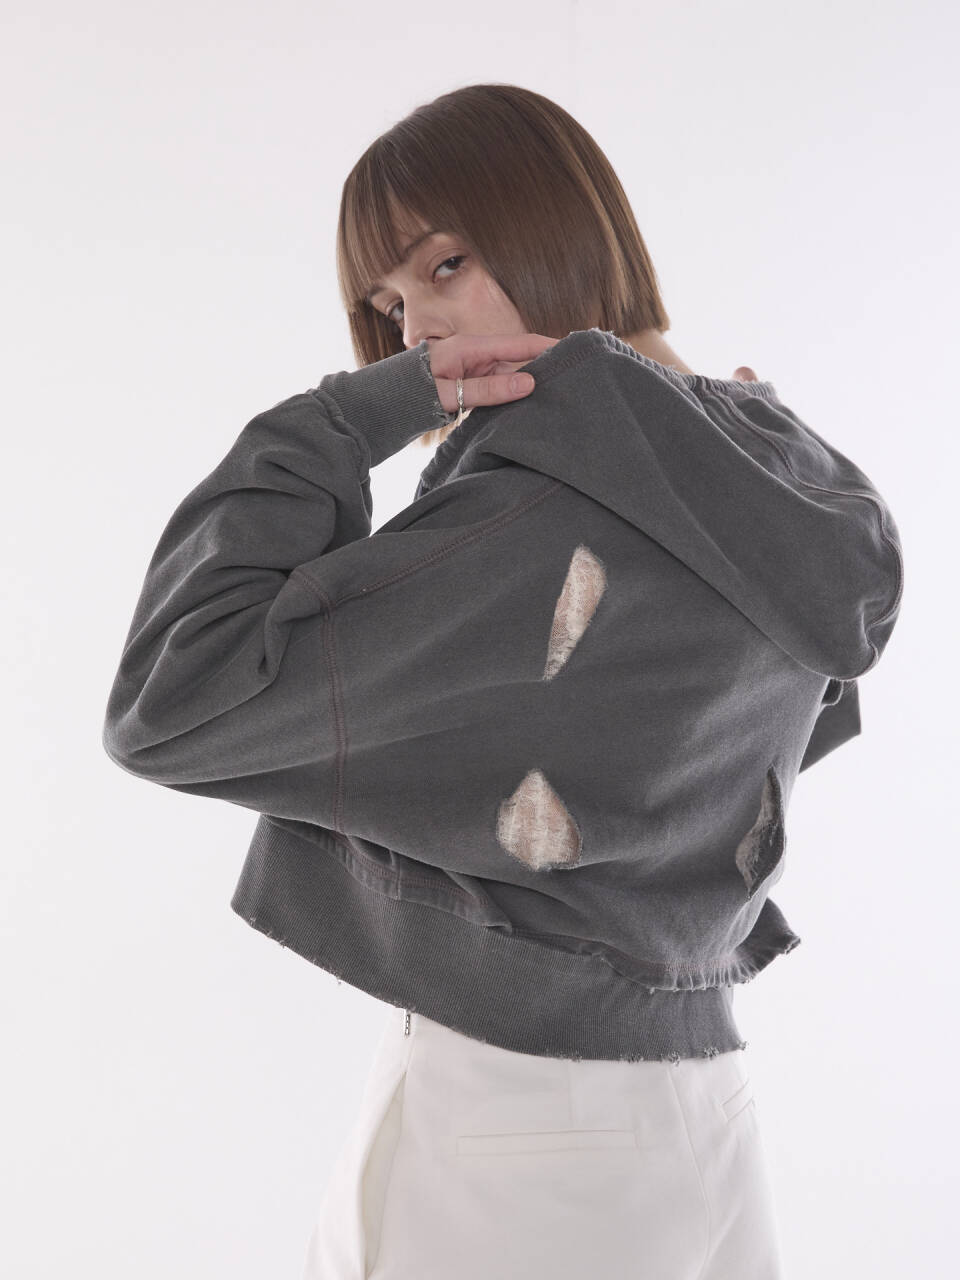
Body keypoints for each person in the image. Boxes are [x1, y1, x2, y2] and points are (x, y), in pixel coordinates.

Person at [101, 83, 904, 1279]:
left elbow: (172, 699)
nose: (416, 330)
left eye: (447, 264)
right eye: (389, 306)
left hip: (508, 1123)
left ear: (562, 226)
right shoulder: (788, 477)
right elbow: (762, 734)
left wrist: (339, 421)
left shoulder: (529, 509)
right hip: (703, 1115)